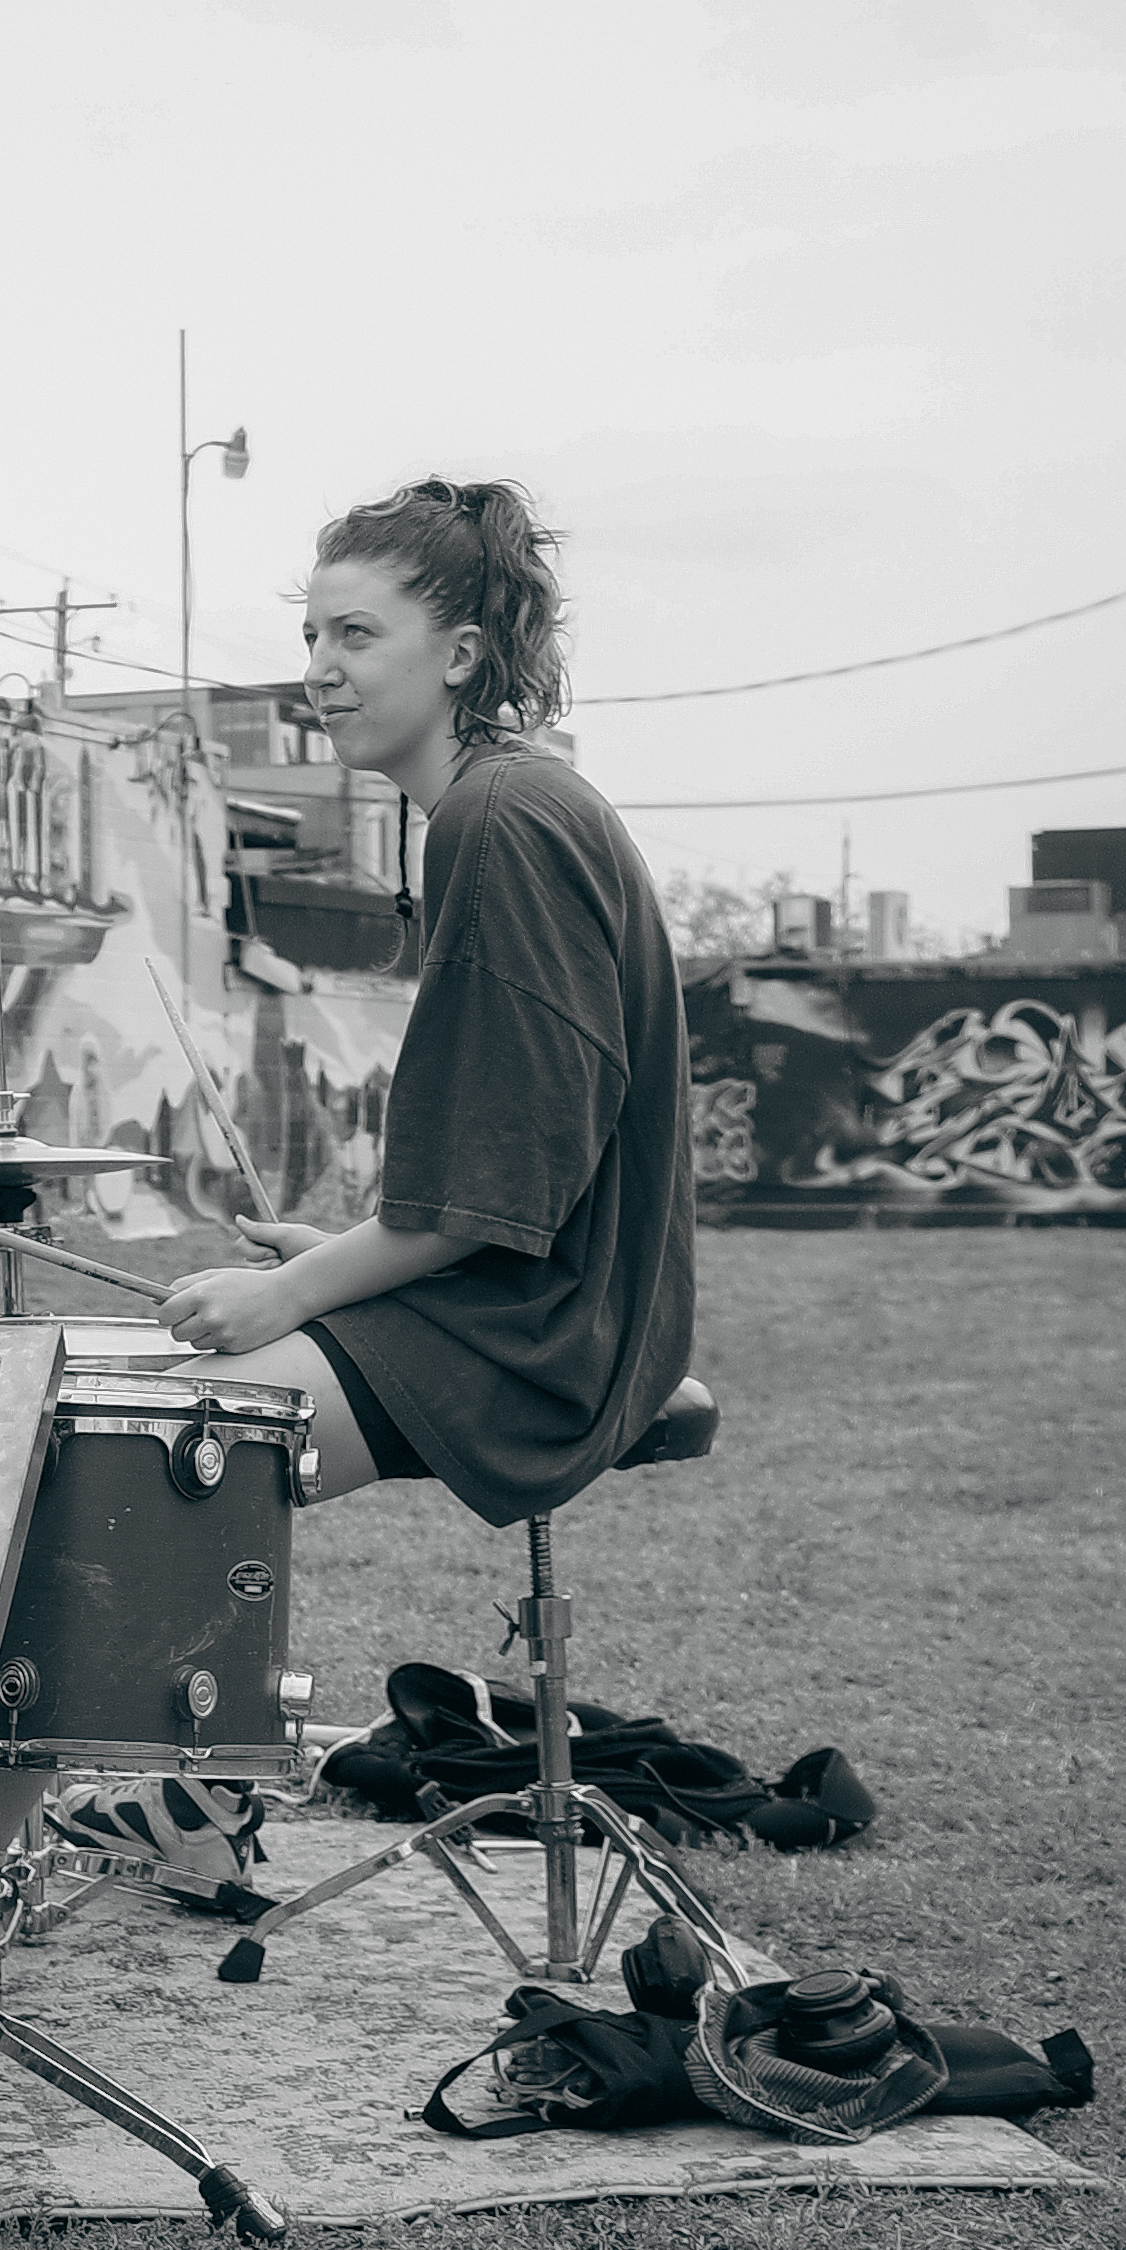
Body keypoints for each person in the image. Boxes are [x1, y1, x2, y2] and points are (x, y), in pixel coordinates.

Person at [152, 479, 696, 1530]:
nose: (318, 669)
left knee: (152, 1459)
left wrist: (288, 1297)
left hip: (540, 1335)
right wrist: (348, 1261)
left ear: (458, 654)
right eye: (311, 634)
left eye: (356, 634)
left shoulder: (499, 822)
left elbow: (504, 1191)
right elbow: (506, 1173)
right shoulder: (514, 797)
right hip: (528, 1302)